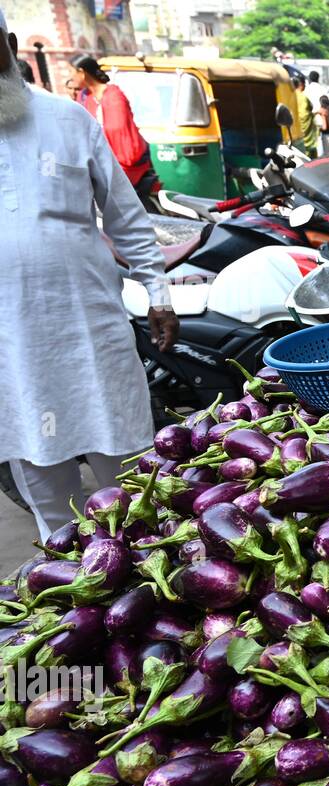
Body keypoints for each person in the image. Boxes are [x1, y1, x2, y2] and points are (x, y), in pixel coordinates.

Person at [1, 12, 178, 540]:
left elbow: (126, 216)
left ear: (10, 46)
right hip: (11, 346)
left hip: (88, 329)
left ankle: (148, 580)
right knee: (41, 475)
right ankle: (75, 585)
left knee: (130, 479)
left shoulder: (69, 120)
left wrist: (159, 293)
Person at [69, 54, 158, 208]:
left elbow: (118, 131)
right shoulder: (85, 98)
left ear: (82, 73)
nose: (70, 78)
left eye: (72, 72)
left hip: (124, 164)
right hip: (101, 165)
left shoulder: (113, 95)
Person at [291, 75, 319, 156]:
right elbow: (304, 116)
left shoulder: (290, 96)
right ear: (301, 84)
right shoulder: (302, 97)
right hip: (305, 138)